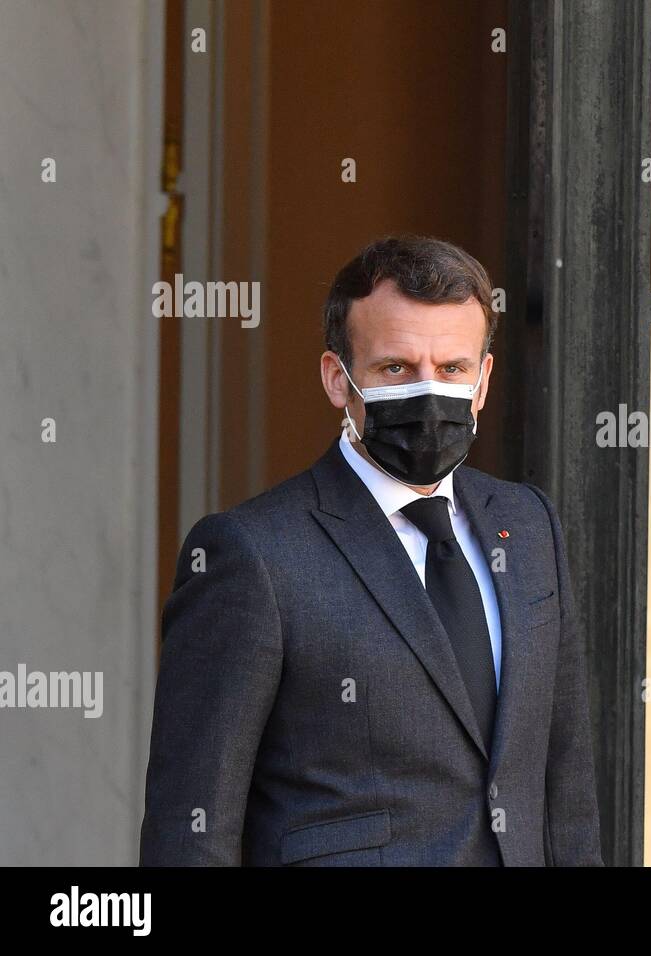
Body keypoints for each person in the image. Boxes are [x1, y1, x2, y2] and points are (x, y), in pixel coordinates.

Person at [139, 235, 603, 866]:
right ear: (338, 379)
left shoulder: (528, 526)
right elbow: (192, 824)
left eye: (452, 370)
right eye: (396, 369)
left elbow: (564, 780)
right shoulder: (250, 554)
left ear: (484, 380)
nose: (428, 393)